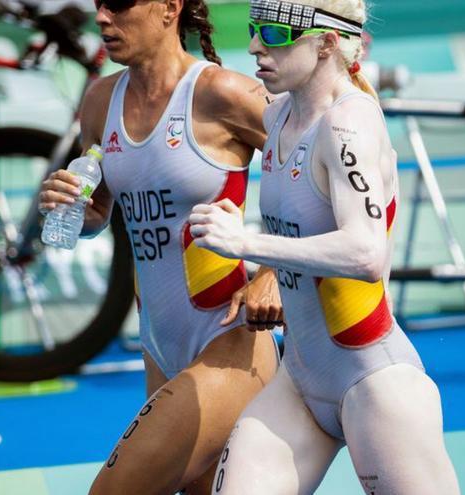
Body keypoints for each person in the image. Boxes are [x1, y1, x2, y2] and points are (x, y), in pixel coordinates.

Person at [188, 0, 460, 493]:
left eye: (272, 33)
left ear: (326, 43)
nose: (253, 46)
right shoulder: (277, 120)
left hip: (374, 385)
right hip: (299, 381)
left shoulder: (347, 125)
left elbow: (365, 254)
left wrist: (248, 243)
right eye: (252, 29)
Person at [37, 1, 282, 493]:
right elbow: (98, 213)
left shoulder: (222, 92)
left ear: (170, 8)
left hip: (230, 344)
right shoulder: (100, 101)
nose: (103, 18)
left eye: (120, 5)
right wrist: (68, 206)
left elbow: (319, 176)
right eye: (99, 5)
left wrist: (274, 270)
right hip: (159, 347)